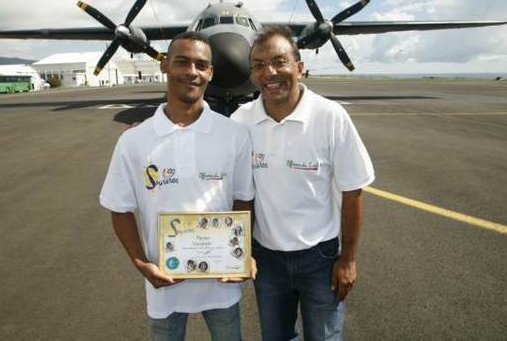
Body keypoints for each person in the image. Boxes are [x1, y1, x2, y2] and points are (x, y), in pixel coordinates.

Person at [99, 31, 255, 341]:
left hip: (221, 282)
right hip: (164, 283)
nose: (192, 72)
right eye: (182, 62)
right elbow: (119, 208)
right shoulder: (133, 141)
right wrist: (142, 263)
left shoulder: (234, 134)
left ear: (210, 72)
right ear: (165, 65)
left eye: (201, 64)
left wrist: (242, 253)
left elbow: (244, 199)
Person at [231, 25, 375, 341]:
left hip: (320, 258)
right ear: (252, 75)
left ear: (299, 67)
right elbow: (238, 190)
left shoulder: (330, 116)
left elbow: (353, 190)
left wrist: (348, 260)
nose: (269, 72)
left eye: (279, 61)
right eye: (258, 65)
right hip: (266, 259)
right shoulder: (240, 121)